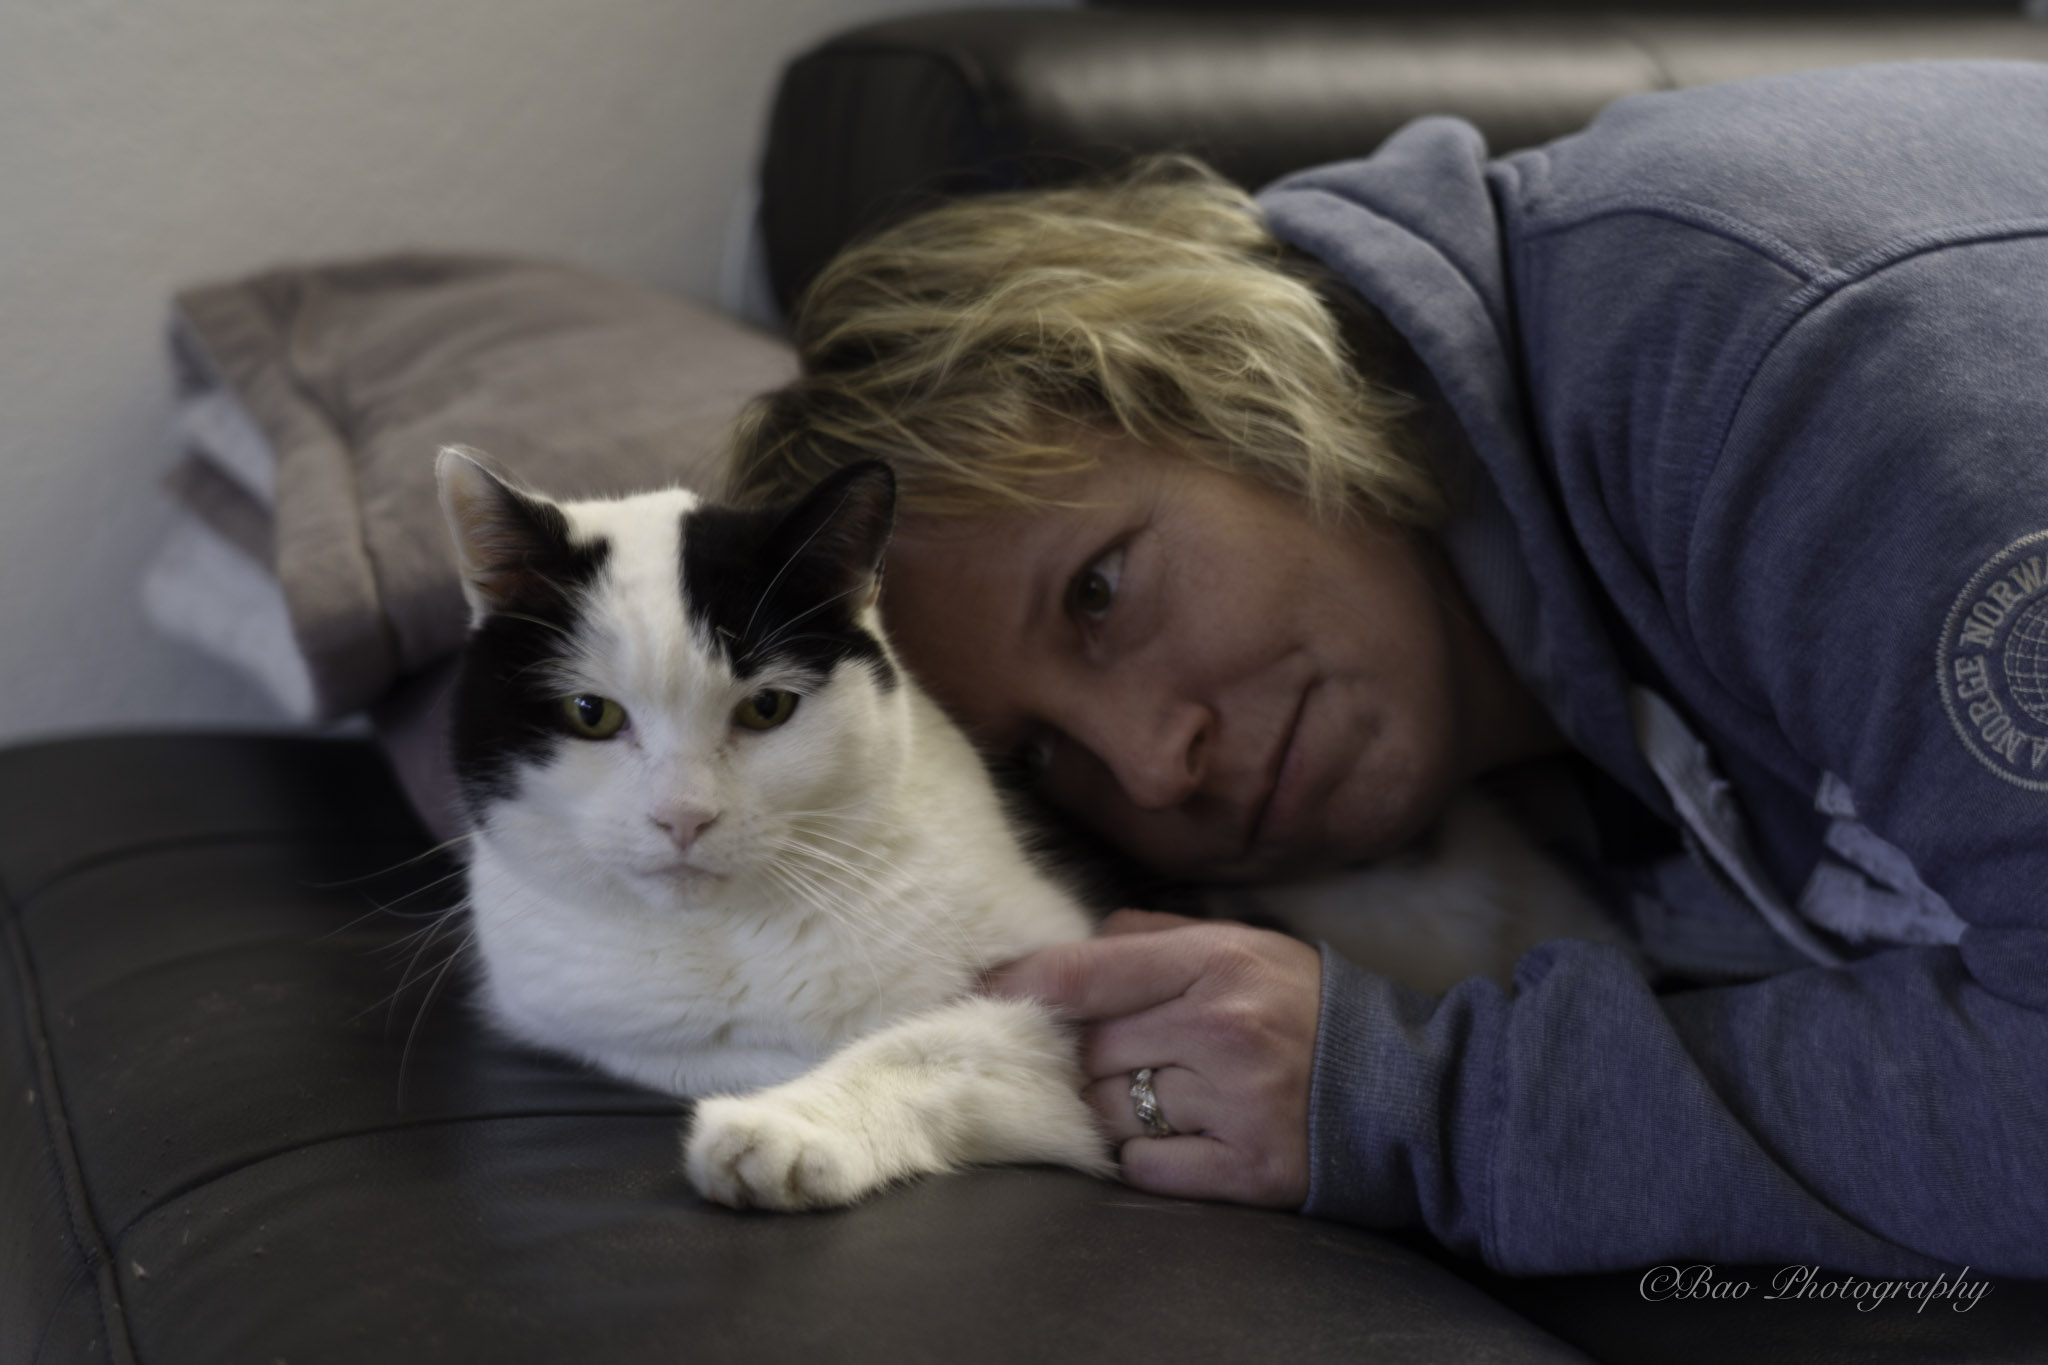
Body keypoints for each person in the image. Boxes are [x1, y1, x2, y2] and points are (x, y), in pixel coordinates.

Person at [724, 61, 2048, 1277]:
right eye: (1037, 757)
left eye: (1100, 591)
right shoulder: (1513, 680)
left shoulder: (1781, 367)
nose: (1146, 761)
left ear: (1227, 375)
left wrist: (1428, 1102)